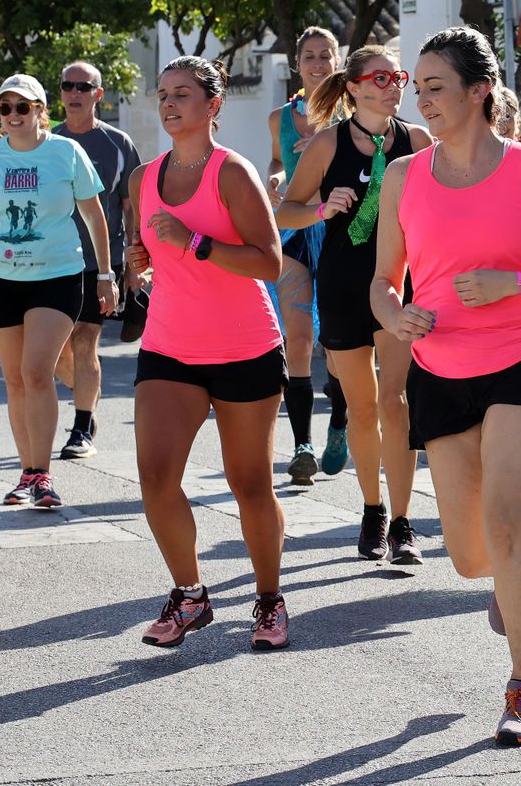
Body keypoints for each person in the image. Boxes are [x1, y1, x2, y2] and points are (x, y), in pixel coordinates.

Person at [373, 26, 521, 746]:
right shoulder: (403, 176)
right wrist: (395, 314)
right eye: (419, 89)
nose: (423, 101)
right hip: (439, 370)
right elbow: (382, 283)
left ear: (479, 92)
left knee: (503, 518)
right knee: (474, 559)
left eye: (436, 87)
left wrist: (516, 282)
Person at [126, 56, 294, 648]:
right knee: (154, 477)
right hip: (170, 345)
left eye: (183, 95)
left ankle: (269, 600)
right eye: (163, 94)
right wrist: (136, 261)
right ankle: (190, 594)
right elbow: (140, 240)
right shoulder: (142, 178)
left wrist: (196, 242)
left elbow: (268, 262)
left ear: (213, 107)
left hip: (244, 347)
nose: (169, 104)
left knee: (249, 483)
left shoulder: (233, 173)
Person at [278, 45, 433, 563]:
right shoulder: (327, 144)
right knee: (363, 409)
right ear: (355, 87)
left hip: (398, 285)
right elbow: (287, 213)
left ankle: (404, 521)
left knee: (397, 402)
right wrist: (323, 208)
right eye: (382, 77)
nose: (394, 86)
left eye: (399, 77)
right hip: (343, 285)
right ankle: (372, 510)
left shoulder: (418, 141)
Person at [0, 74, 117, 509]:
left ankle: (43, 474)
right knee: (14, 380)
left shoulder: (66, 153)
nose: (13, 115)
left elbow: (94, 215)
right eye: (5, 108)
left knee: (36, 372)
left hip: (58, 277)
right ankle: (27, 472)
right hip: (1, 281)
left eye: (22, 107)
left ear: (39, 110)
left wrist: (105, 275)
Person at [267, 27, 349, 486]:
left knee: (338, 348)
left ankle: (339, 418)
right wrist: (277, 178)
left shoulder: (353, 112)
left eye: (326, 56)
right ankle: (301, 446)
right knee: (296, 339)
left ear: (338, 61)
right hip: (295, 231)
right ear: (298, 63)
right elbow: (277, 162)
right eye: (309, 56)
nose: (318, 64)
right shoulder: (280, 116)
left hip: (340, 232)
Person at [52, 61, 143, 460]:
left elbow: (130, 207)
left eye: (83, 87)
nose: (74, 93)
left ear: (98, 95)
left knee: (86, 339)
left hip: (98, 261)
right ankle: (87, 394)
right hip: (48, 261)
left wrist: (134, 263)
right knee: (53, 353)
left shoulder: (118, 144)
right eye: (68, 86)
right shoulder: (46, 140)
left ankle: (82, 425)